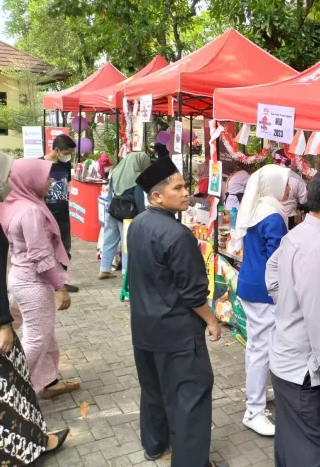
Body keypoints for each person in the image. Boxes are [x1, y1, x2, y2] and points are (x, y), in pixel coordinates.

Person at [127, 157, 227, 467]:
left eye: (185, 186)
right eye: (178, 187)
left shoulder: (139, 223)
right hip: (177, 332)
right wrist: (211, 320)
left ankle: (155, 444)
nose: (186, 192)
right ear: (157, 196)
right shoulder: (177, 235)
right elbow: (193, 293)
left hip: (145, 325)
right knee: (190, 396)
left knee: (154, 389)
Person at [265, 167, 320, 467]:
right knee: (313, 450)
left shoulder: (300, 233)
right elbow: (318, 313)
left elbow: (272, 275)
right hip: (303, 371)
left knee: (291, 443)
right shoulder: (315, 246)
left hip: (288, 361)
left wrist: (287, 304)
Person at [0, 151, 71, 464]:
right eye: (45, 176)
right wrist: (60, 287)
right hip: (32, 281)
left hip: (18, 276)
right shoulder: (28, 210)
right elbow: (42, 256)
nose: (51, 181)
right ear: (30, 179)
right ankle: (22, 387)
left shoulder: (13, 202)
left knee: (45, 334)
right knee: (37, 338)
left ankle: (46, 379)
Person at [232, 165, 290, 436]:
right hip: (263, 290)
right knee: (262, 349)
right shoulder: (274, 216)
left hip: (249, 283)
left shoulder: (256, 207)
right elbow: (277, 260)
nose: (288, 188)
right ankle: (253, 410)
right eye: (285, 183)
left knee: (255, 345)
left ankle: (257, 395)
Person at [98, 152, 151, 279]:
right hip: (128, 213)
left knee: (109, 240)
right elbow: (139, 201)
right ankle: (126, 273)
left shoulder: (116, 171)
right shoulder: (137, 178)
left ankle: (104, 269)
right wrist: (143, 216)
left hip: (113, 209)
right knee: (127, 244)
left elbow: (110, 194)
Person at [43, 134, 79, 293]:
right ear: (57, 150)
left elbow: (67, 185)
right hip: (45, 213)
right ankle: (46, 281)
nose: (68, 156)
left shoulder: (65, 165)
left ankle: (61, 282)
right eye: (66, 153)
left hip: (63, 213)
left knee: (64, 248)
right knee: (45, 248)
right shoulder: (40, 164)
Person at [273, 149, 308, 229]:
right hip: (290, 217)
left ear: (276, 161)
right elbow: (303, 200)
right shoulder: (297, 178)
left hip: (270, 216)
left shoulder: (269, 176)